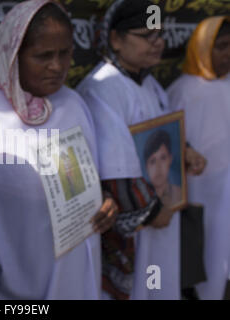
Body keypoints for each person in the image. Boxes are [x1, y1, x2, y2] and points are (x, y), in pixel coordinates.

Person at [0, 0, 118, 300]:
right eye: (43, 56)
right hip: (15, 288)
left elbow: (89, 178)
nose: (57, 66)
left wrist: (105, 201)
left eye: (65, 54)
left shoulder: (74, 104)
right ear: (12, 56)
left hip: (78, 273)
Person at [76, 0, 205, 300]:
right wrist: (150, 211)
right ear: (116, 39)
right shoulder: (103, 88)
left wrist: (185, 151)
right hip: (139, 221)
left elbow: (163, 128)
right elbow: (115, 165)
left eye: (159, 35)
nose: (157, 43)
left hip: (161, 214)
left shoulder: (148, 83)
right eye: (146, 35)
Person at [167, 16, 230, 300]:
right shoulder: (182, 91)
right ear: (202, 47)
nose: (228, 54)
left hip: (226, 192)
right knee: (202, 260)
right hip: (198, 196)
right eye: (222, 46)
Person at [144, 130, 182, 207]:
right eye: (152, 161)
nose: (158, 167)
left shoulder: (181, 194)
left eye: (163, 158)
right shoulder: (141, 203)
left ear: (170, 159)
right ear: (146, 167)